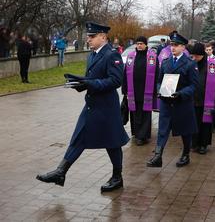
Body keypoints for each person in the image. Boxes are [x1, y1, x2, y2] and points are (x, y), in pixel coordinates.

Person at [36, 21, 129, 192]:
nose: (89, 39)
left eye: (92, 36)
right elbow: (91, 79)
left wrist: (90, 84)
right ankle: (61, 171)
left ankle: (117, 177)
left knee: (113, 142)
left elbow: (116, 81)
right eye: (88, 37)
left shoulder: (112, 55)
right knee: (79, 136)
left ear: (103, 36)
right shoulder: (92, 54)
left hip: (107, 107)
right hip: (92, 105)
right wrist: (81, 83)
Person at [147, 32, 200, 168]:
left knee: (185, 130)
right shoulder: (165, 62)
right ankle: (158, 156)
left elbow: (194, 85)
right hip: (166, 102)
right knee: (163, 130)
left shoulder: (190, 63)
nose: (173, 48)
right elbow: (159, 81)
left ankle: (186, 154)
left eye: (176, 45)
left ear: (183, 47)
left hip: (182, 102)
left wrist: (181, 93)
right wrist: (159, 90)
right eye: (172, 45)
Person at [122, 36, 159, 146]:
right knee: (135, 113)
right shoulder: (130, 56)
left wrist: (154, 90)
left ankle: (143, 136)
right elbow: (125, 74)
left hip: (146, 90)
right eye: (137, 43)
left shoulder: (152, 57)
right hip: (133, 90)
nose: (139, 45)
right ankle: (137, 133)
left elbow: (157, 73)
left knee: (145, 113)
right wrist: (124, 89)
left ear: (146, 45)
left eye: (141, 43)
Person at [190, 43, 215, 154]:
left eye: (197, 56)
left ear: (202, 55)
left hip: (207, 100)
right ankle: (194, 143)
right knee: (193, 122)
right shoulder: (191, 65)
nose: (195, 58)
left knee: (205, 124)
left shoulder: (212, 65)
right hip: (193, 99)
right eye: (193, 56)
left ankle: (203, 144)